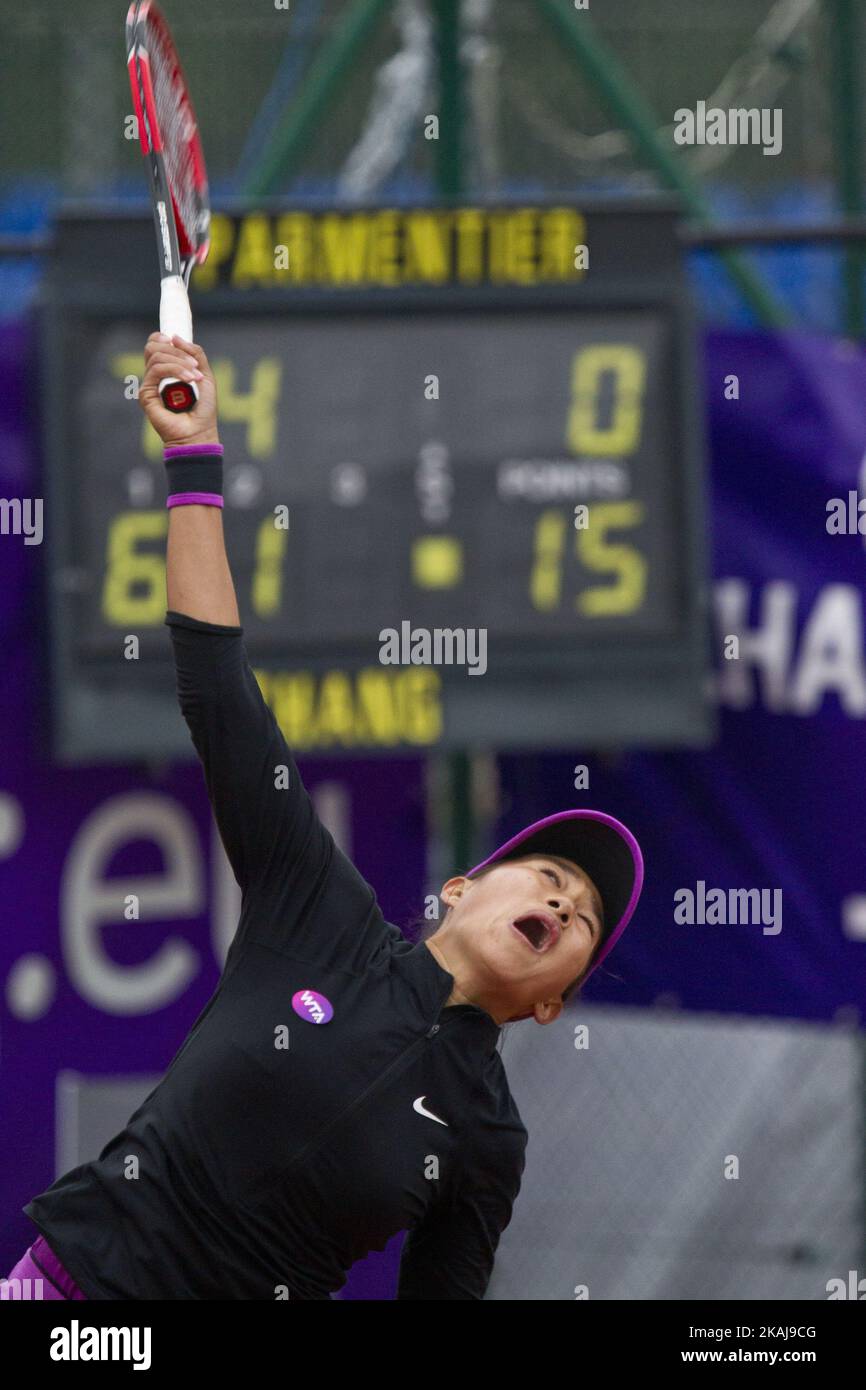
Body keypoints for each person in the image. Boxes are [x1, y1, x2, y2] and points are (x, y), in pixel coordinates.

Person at [8, 334, 643, 1300]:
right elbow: (219, 691)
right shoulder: (319, 913)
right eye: (549, 878)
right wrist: (194, 459)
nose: (561, 904)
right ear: (462, 887)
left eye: (582, 921)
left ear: (553, 1000)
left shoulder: (486, 1140)